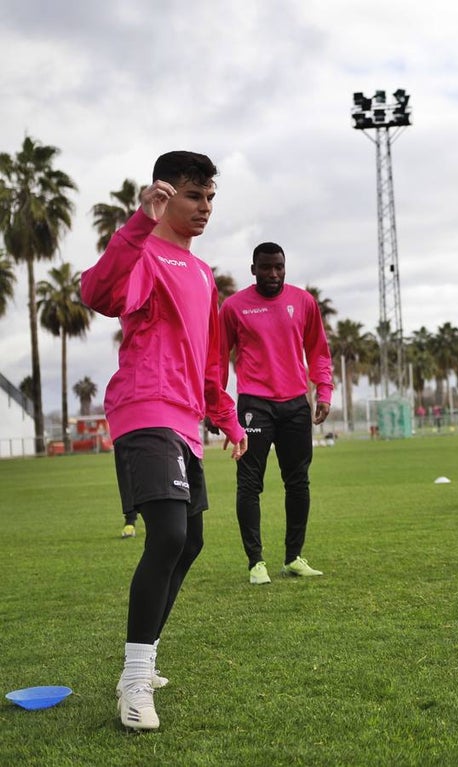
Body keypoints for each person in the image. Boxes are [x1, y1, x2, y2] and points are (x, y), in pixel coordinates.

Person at [81, 151, 248, 731]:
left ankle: (143, 660)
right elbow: (97, 295)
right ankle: (132, 681)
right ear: (164, 194)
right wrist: (137, 223)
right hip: (142, 408)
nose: (204, 208)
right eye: (193, 196)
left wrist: (225, 415)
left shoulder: (203, 275)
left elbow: (208, 360)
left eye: (209, 198)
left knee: (191, 541)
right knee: (170, 533)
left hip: (184, 420)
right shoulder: (143, 250)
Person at [219, 242, 334, 585]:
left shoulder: (303, 302)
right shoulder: (234, 307)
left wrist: (323, 390)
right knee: (249, 483)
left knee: (298, 482)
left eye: (279, 267)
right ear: (253, 269)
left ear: (285, 267)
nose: (273, 274)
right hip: (254, 404)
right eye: (266, 268)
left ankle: (294, 558)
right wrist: (217, 408)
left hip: (296, 403)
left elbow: (318, 351)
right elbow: (216, 359)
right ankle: (256, 563)